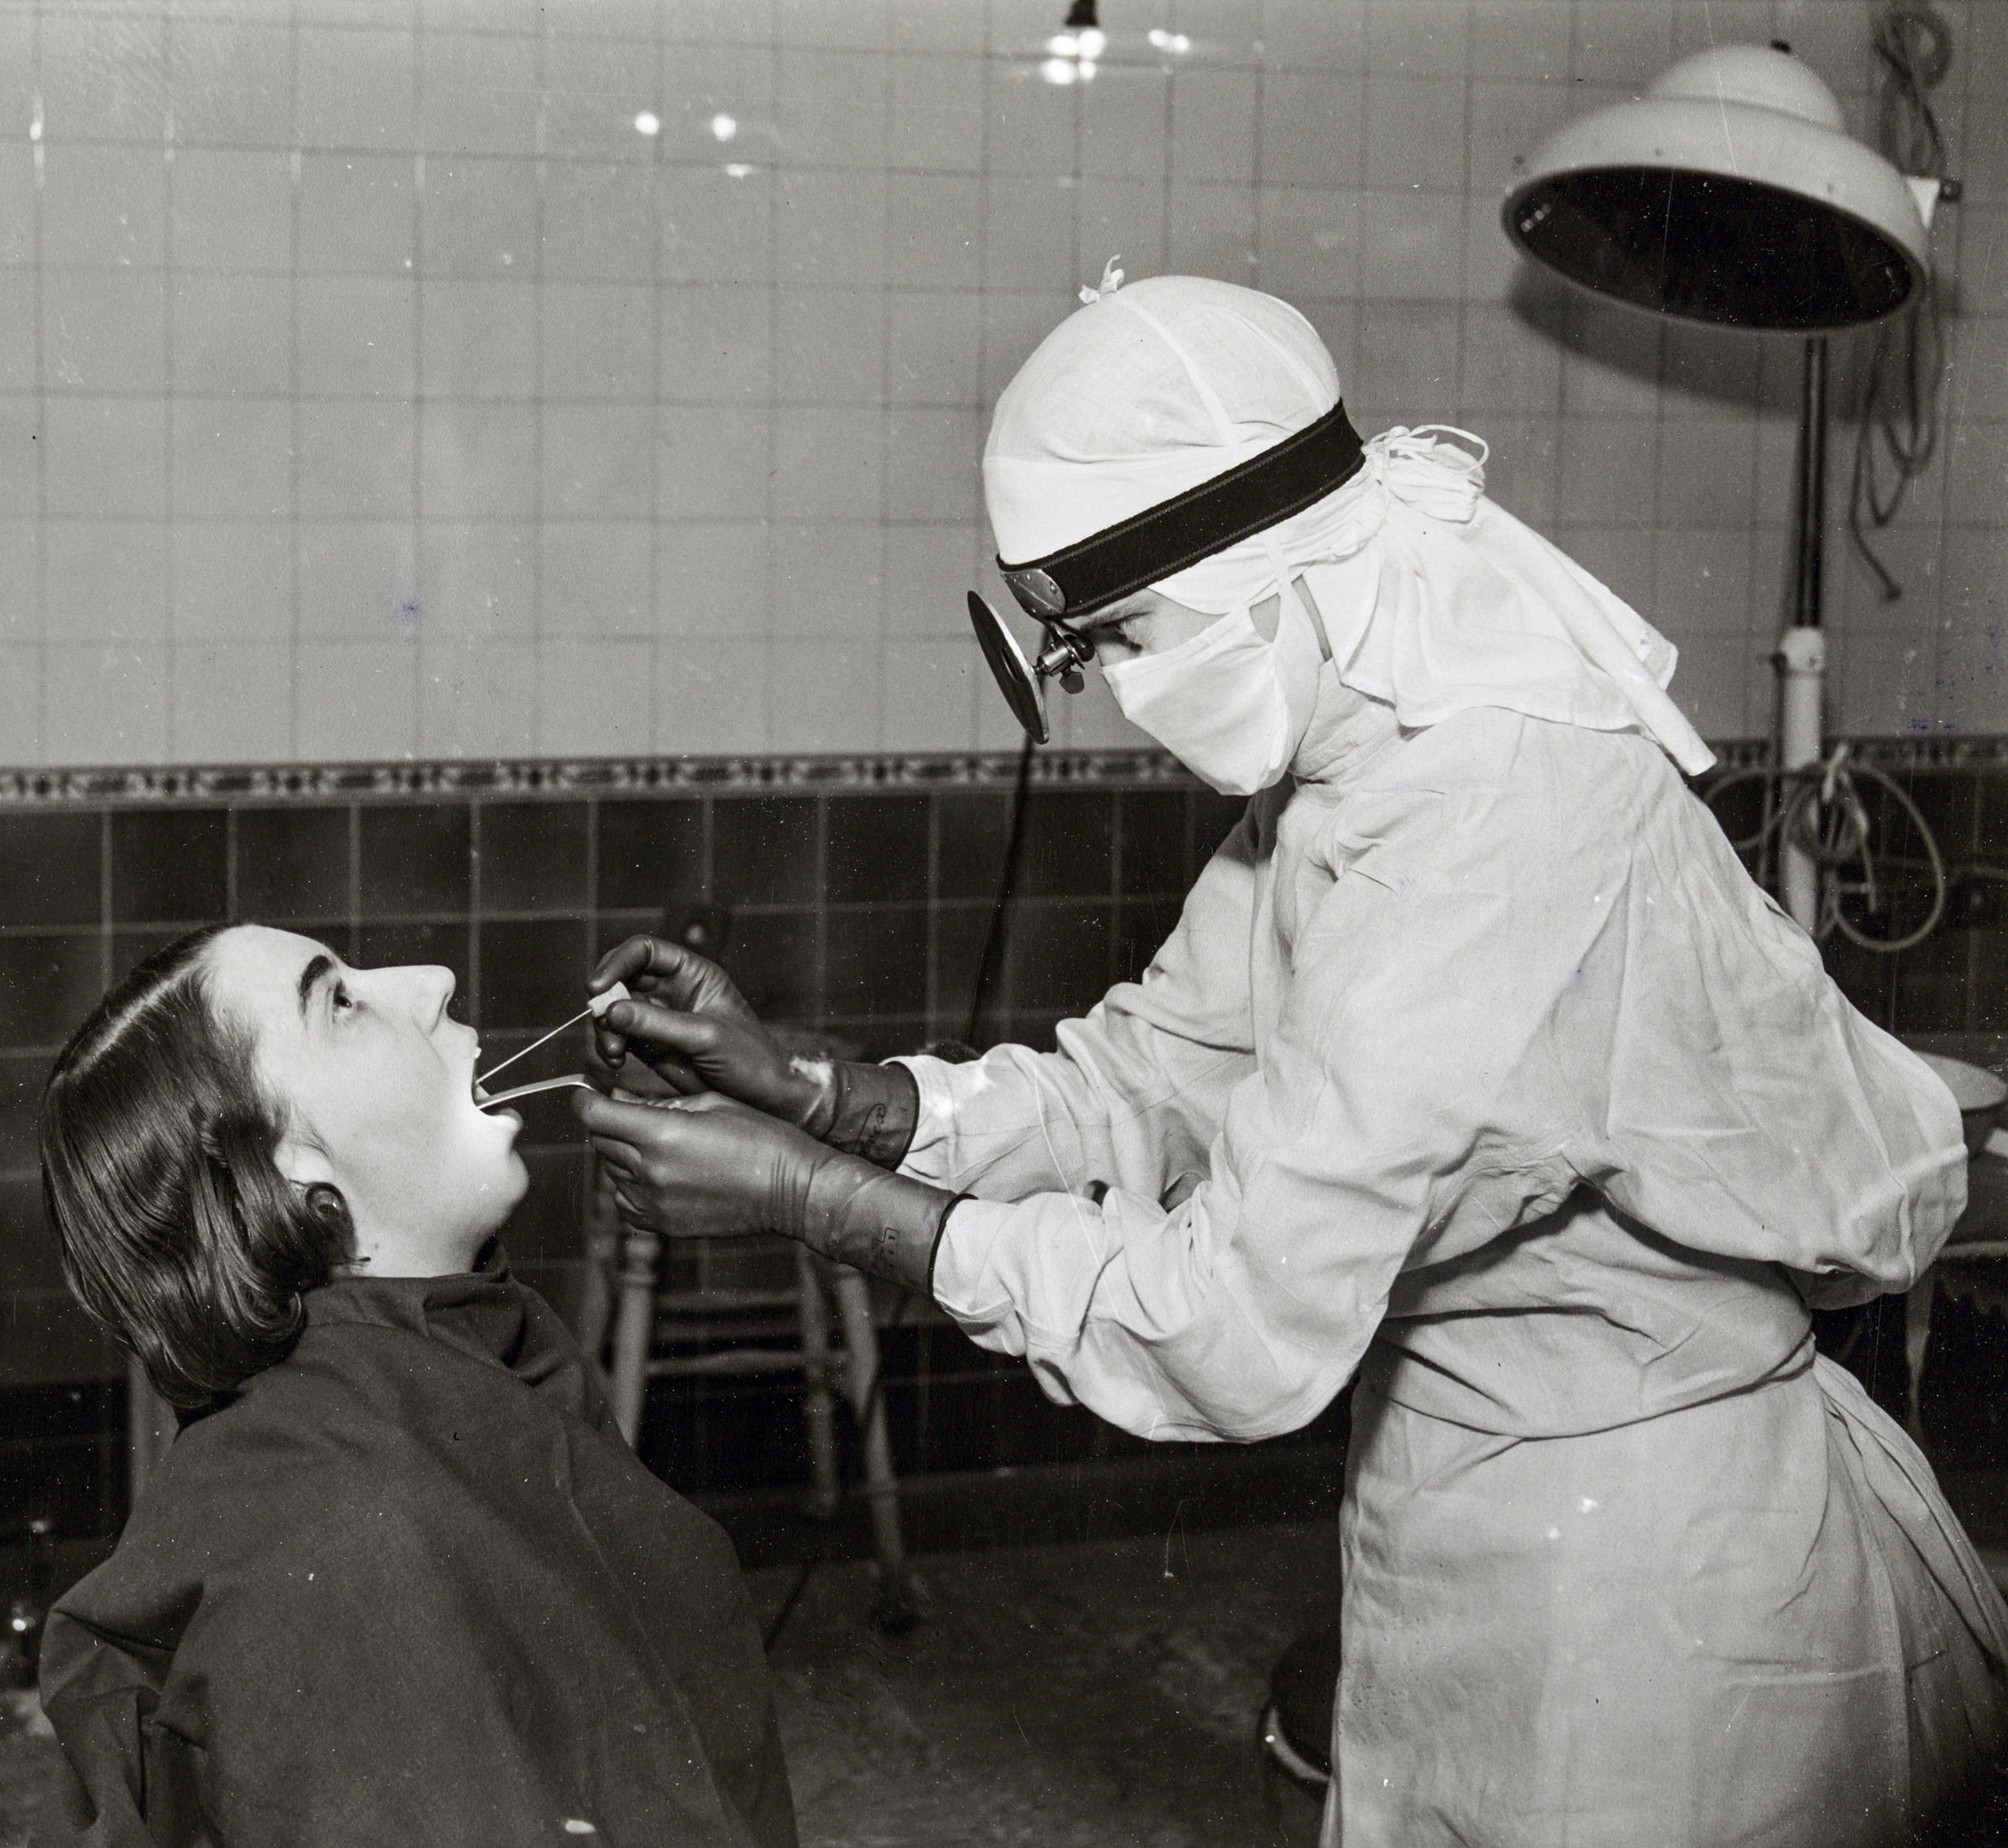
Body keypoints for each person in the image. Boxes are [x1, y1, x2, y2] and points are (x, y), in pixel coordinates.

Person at [575, 274, 2008, 1845]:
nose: (1113, 687)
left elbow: (1232, 1319)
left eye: (1114, 636)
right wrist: (821, 1093)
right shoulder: (1347, 756)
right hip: (1465, 1501)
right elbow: (1154, 1075)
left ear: (1253, 569)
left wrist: (811, 1200)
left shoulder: (1483, 807)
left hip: (1654, 1580)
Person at [33, 924, 797, 1848]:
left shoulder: (466, 1358)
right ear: (285, 1170)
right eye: (340, 1003)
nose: (436, 980)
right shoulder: (343, 1543)